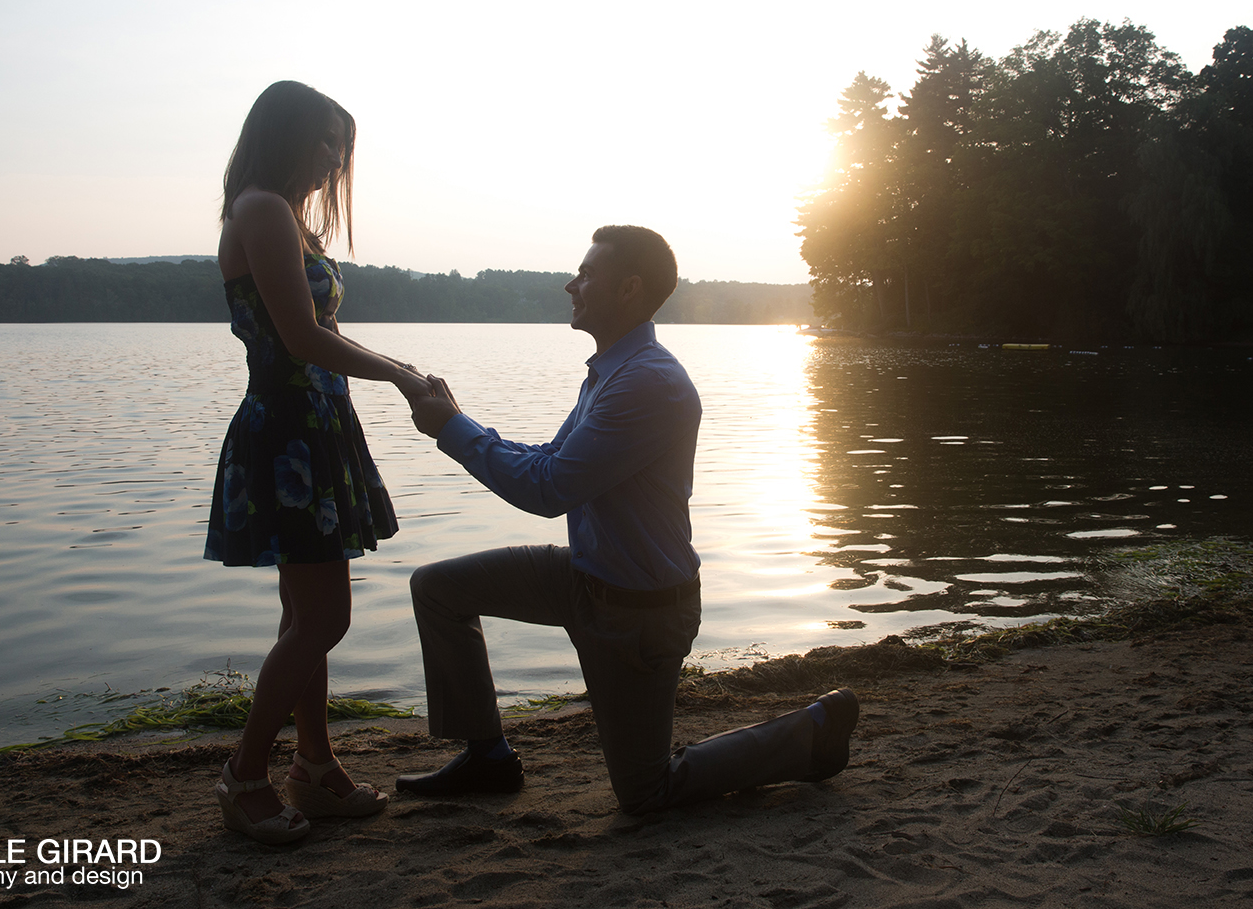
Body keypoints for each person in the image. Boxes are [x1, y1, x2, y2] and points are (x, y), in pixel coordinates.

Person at [399, 225, 860, 813]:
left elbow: (548, 490)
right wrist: (460, 420)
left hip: (639, 610)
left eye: (587, 273)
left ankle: (814, 732)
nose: (571, 284)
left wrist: (451, 429)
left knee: (645, 793)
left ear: (629, 289)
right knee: (439, 589)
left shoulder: (648, 383)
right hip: (585, 577)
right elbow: (550, 461)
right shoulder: (613, 371)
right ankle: (487, 756)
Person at [204, 80, 435, 844]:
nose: (335, 158)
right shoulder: (262, 208)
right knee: (324, 620)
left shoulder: (283, 215)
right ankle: (244, 775)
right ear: (285, 135)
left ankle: (314, 765)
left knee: (303, 617)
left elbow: (313, 334)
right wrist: (400, 372)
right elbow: (302, 338)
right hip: (288, 433)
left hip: (313, 426)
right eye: (325, 141)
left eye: (343, 146)